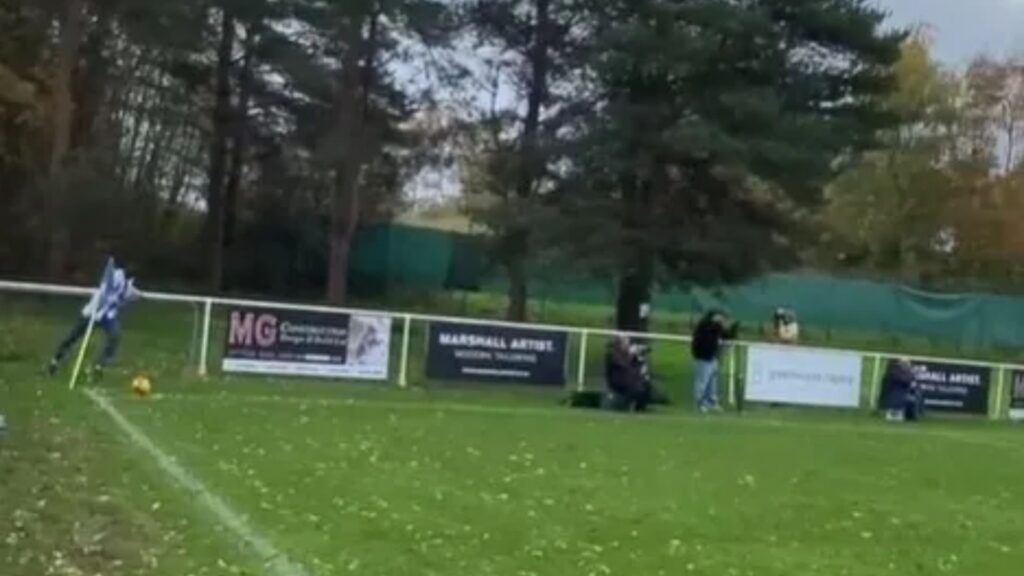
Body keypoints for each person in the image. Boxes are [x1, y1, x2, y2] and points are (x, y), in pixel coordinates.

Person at [47, 265, 143, 378]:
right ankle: (55, 361)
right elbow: (109, 286)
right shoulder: (115, 275)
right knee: (73, 336)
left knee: (115, 336)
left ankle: (100, 365)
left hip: (108, 316)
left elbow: (130, 294)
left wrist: (139, 295)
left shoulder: (128, 285)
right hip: (93, 312)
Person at [690, 310, 738, 412]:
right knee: (702, 380)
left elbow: (726, 336)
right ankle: (700, 402)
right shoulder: (705, 326)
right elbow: (703, 340)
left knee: (712, 382)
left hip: (713, 357)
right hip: (703, 357)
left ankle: (711, 402)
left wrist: (733, 329)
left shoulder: (717, 328)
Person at [604, 336, 651, 412]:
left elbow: (634, 366)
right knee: (633, 386)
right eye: (625, 342)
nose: (627, 344)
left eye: (627, 342)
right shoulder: (612, 354)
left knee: (645, 384)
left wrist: (639, 358)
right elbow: (623, 364)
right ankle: (629, 406)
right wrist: (632, 355)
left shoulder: (626, 354)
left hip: (628, 378)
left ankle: (640, 407)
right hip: (617, 380)